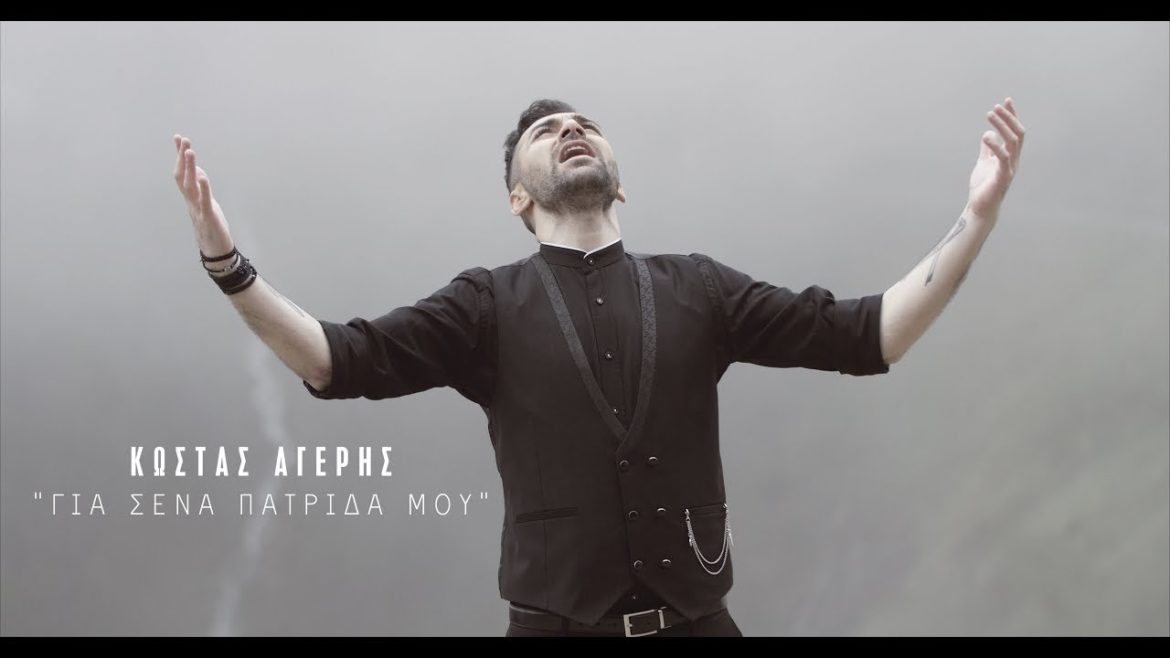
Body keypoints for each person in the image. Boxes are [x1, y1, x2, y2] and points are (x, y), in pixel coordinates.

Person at [172, 97, 1025, 636]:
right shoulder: (484, 305)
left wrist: (977, 217)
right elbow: (338, 360)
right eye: (546, 132)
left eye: (583, 124)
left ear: (621, 184)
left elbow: (871, 336)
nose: (570, 130)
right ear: (518, 196)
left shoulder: (701, 287)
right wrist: (227, 268)